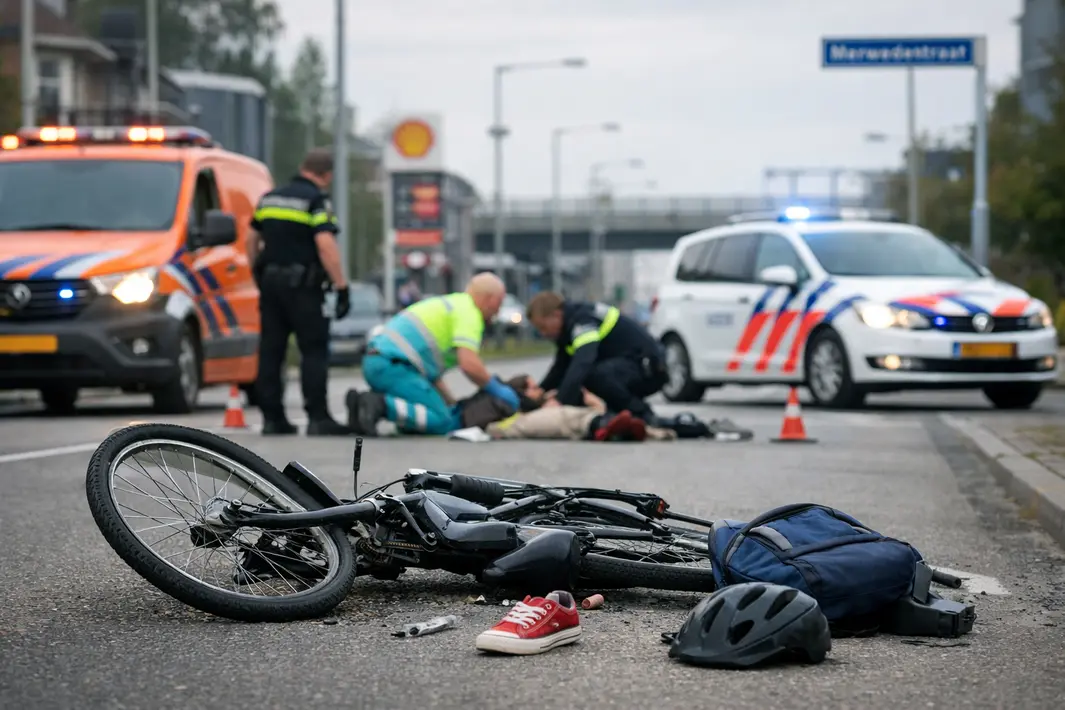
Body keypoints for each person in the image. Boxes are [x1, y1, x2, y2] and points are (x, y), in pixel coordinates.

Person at [246, 148, 352, 437]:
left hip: (270, 286)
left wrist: (256, 271)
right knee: (314, 351)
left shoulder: (269, 198)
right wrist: (341, 286)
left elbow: (252, 238)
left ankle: (272, 418)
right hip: (305, 289)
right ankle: (318, 418)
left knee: (271, 351)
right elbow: (326, 245)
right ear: (325, 175)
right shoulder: (316, 200)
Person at [344, 272, 518, 436]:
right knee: (442, 421)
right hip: (395, 367)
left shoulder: (453, 304)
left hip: (378, 362)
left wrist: (450, 403)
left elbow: (431, 376)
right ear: (491, 299)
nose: (498, 310)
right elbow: (468, 363)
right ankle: (379, 405)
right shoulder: (469, 313)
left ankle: (360, 410)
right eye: (499, 303)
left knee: (433, 414)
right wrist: (494, 387)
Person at [526, 292, 670, 424]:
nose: (543, 333)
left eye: (543, 327)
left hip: (649, 369)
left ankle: (642, 414)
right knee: (584, 378)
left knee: (592, 375)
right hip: (633, 365)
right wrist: (540, 392)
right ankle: (619, 414)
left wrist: (559, 401)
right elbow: (561, 367)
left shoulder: (582, 321)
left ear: (556, 315)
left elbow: (583, 361)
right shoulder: (568, 327)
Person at [460, 373, 676, 442]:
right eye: (534, 388)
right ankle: (611, 428)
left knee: (576, 416)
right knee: (566, 416)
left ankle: (643, 430)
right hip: (517, 425)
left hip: (583, 420)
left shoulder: (540, 403)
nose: (539, 390)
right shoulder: (512, 401)